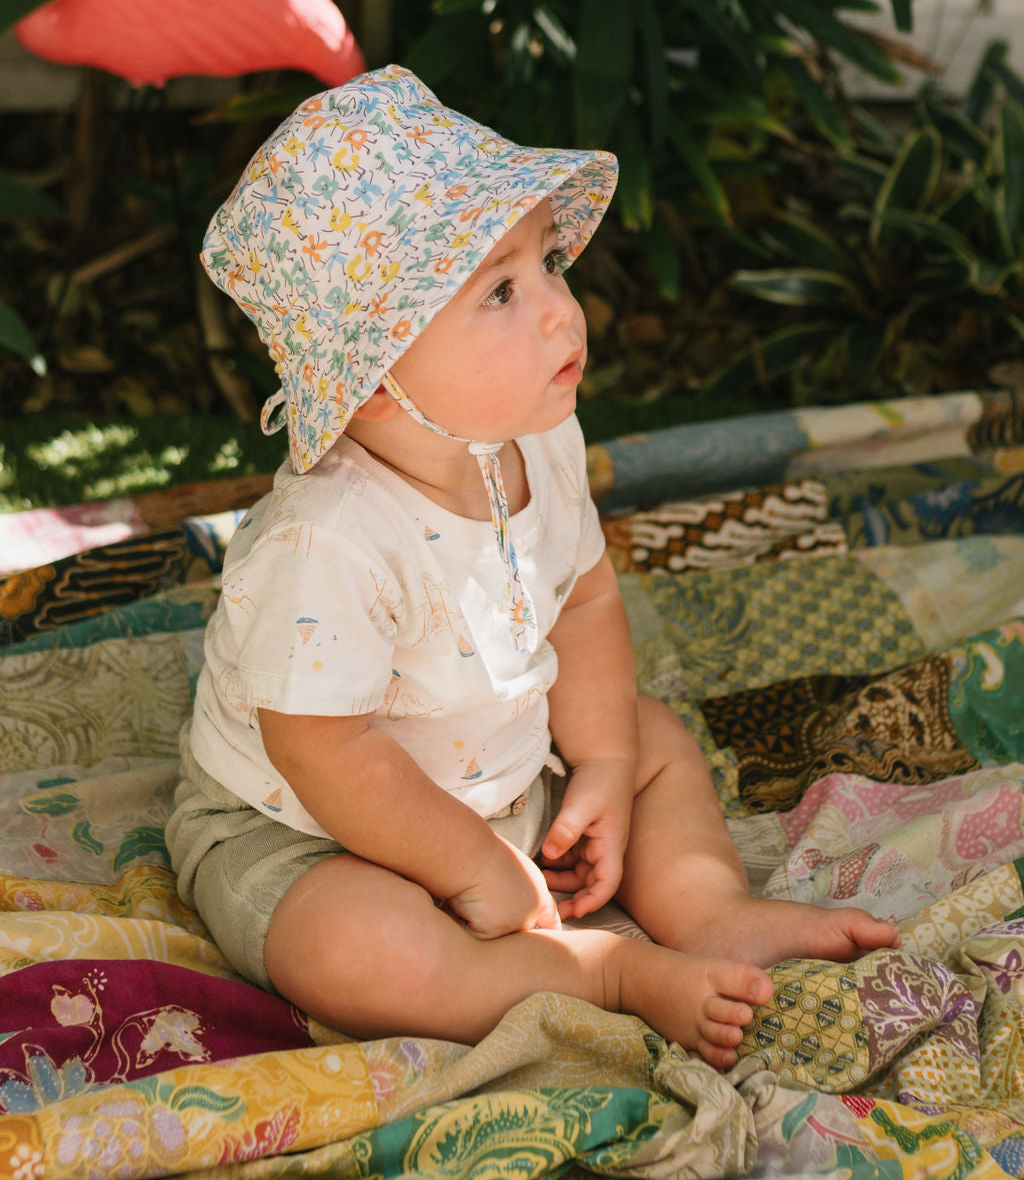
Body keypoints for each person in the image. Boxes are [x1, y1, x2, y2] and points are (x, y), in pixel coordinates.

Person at [167, 65, 898, 1070]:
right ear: (373, 384)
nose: (561, 310)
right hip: (307, 824)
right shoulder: (328, 540)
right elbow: (326, 751)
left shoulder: (540, 436)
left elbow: (585, 597)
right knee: (352, 949)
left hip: (500, 768)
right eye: (501, 291)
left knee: (651, 737)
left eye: (549, 263)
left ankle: (709, 911)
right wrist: (471, 866)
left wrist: (599, 765)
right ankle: (600, 972)